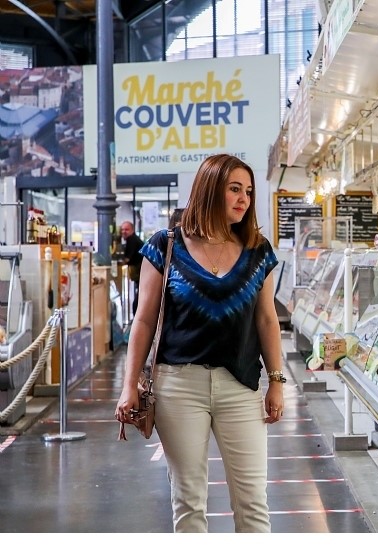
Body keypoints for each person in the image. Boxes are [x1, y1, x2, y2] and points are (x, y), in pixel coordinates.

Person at [114, 154, 284, 533]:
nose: (243, 199)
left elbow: (266, 319)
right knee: (189, 501)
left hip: (241, 386)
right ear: (209, 190)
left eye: (248, 191)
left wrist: (276, 380)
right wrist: (129, 385)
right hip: (178, 386)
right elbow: (144, 320)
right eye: (234, 189)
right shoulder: (165, 245)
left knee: (253, 502)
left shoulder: (258, 250)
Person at [119, 220, 144, 315]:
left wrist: (118, 263)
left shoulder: (131, 240)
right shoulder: (133, 239)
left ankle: (136, 315)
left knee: (139, 298)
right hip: (140, 273)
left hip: (141, 273)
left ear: (132, 230)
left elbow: (127, 259)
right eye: (122, 229)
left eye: (126, 229)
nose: (124, 232)